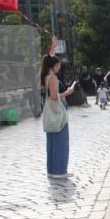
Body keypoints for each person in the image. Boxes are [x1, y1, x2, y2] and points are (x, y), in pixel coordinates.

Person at [40, 45, 77, 179]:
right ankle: (60, 171)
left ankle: (52, 170)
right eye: (58, 65)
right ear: (53, 65)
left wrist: (53, 46)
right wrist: (69, 91)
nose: (59, 67)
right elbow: (55, 96)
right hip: (57, 111)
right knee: (61, 142)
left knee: (52, 143)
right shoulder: (53, 78)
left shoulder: (45, 77)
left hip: (50, 111)